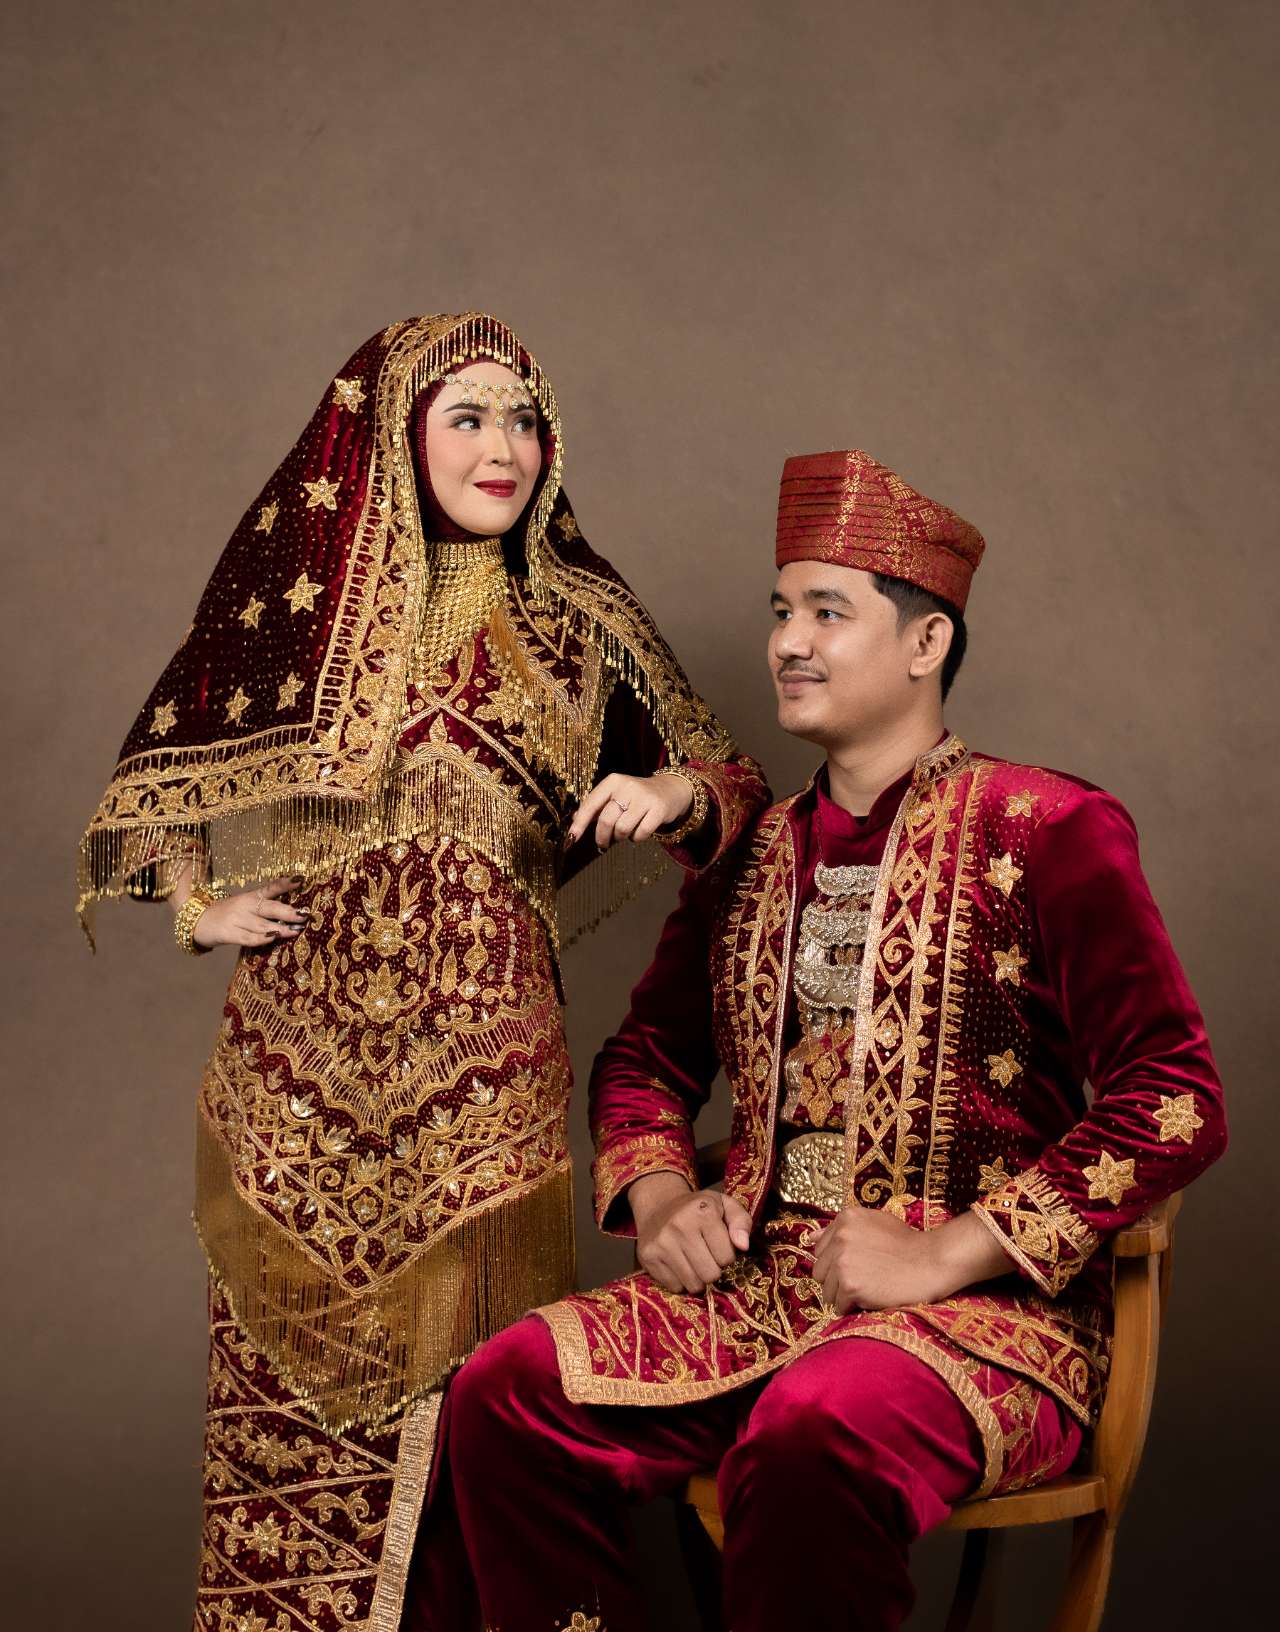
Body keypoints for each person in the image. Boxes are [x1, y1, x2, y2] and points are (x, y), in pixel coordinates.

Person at [446, 447, 1227, 1632]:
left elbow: (1174, 1099)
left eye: (826, 612)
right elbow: (643, 1061)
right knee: (502, 1391)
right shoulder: (749, 850)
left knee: (811, 1429)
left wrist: (946, 1251)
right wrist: (661, 1200)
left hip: (987, 1324)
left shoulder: (1046, 827)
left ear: (925, 643)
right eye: (778, 612)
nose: (786, 644)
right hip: (754, 1297)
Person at [77, 312, 767, 1632]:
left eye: (525, 418)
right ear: (397, 434)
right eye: (469, 416)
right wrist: (198, 905)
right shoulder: (309, 608)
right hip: (298, 1085)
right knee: (285, 1419)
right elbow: (155, 780)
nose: (506, 445)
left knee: (484, 1414)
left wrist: (671, 789)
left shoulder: (583, 621)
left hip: (485, 1096)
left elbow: (736, 785)